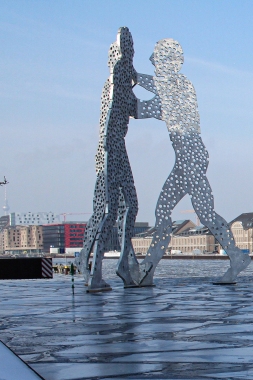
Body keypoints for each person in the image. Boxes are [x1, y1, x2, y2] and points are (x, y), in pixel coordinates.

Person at [134, 38, 250, 286]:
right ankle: (236, 258)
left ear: (169, 62)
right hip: (190, 157)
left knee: (165, 212)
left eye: (157, 58)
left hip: (190, 158)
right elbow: (155, 86)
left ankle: (147, 270)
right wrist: (133, 77)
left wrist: (125, 87)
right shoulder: (177, 85)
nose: (153, 62)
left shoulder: (178, 87)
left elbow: (143, 109)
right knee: (204, 213)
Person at [75, 27, 142, 291]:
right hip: (111, 150)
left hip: (115, 149)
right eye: (129, 49)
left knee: (126, 207)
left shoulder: (123, 81)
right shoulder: (117, 80)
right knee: (109, 211)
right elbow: (116, 114)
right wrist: (106, 152)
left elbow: (137, 108)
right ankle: (96, 272)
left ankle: (104, 262)